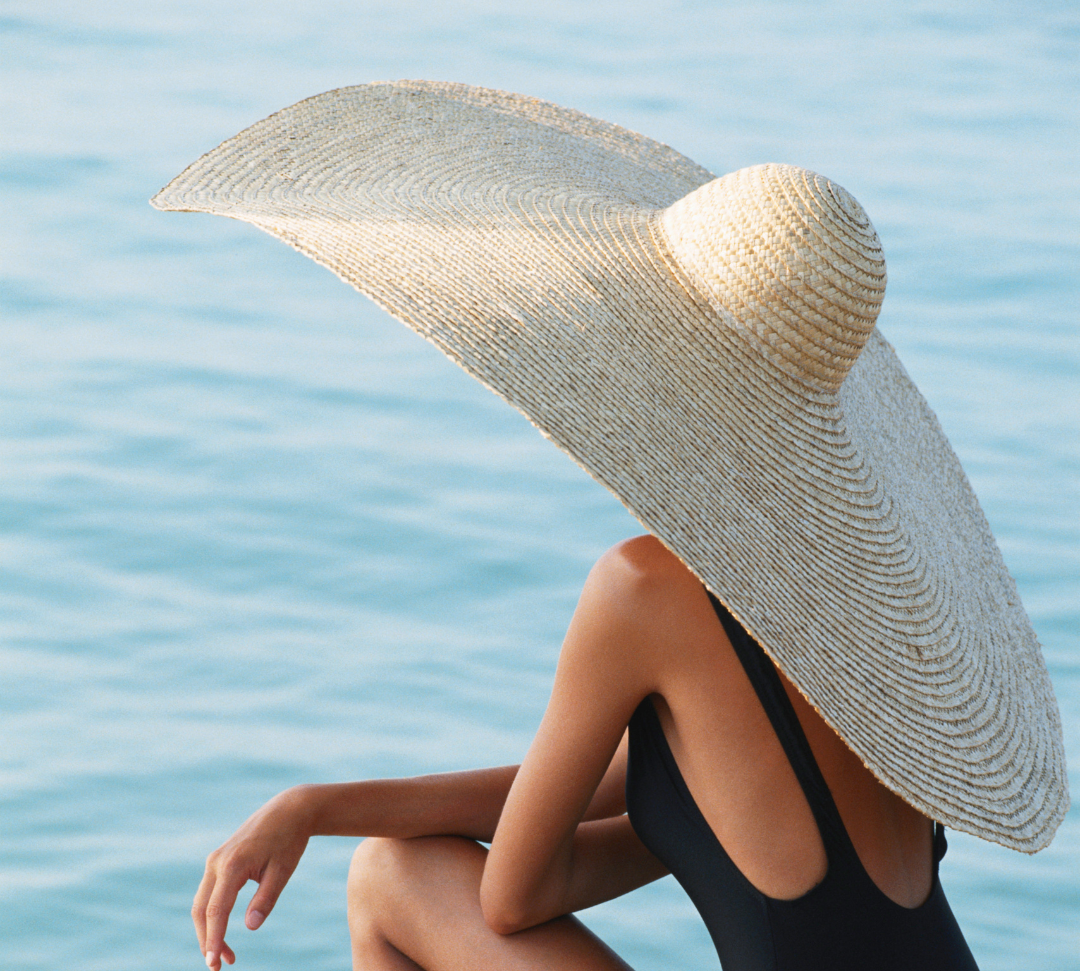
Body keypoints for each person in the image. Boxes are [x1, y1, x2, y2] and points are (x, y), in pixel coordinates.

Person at [154, 81, 1068, 971]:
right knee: (390, 850)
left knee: (394, 878)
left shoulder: (646, 589)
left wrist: (659, 827)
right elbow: (645, 782)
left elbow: (514, 893)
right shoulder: (855, 605)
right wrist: (318, 805)